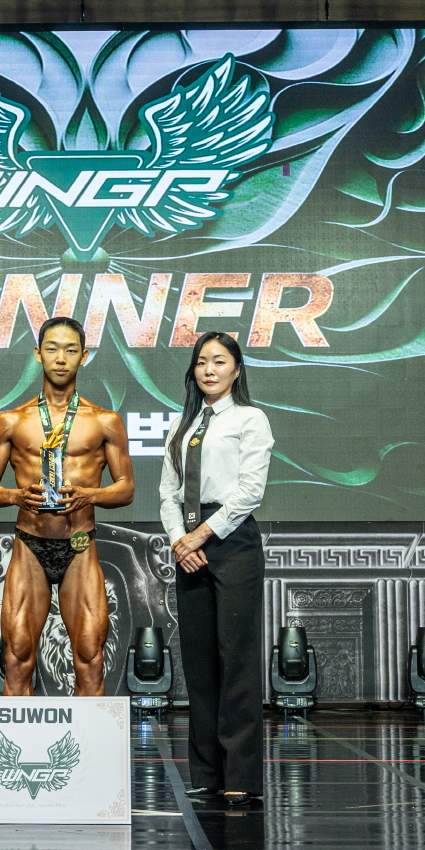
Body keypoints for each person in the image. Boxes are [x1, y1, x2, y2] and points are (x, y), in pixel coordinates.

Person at [0, 316, 134, 696]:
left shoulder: (106, 421)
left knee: (90, 656)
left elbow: (126, 489)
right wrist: (15, 496)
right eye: (52, 349)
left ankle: (86, 737)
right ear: (38, 354)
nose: (60, 358)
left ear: (84, 356)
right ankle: (19, 735)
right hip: (30, 545)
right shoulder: (10, 421)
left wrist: (89, 496)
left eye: (70, 350)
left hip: (80, 545)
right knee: (17, 654)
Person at [159, 330, 274, 808]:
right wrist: (179, 541)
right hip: (188, 545)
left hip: (231, 541)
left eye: (220, 361)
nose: (210, 369)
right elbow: (167, 493)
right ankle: (206, 774)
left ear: (236, 369)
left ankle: (241, 777)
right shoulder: (181, 425)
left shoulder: (250, 418)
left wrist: (201, 534)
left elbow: (250, 491)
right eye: (202, 361)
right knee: (199, 663)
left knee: (237, 661)